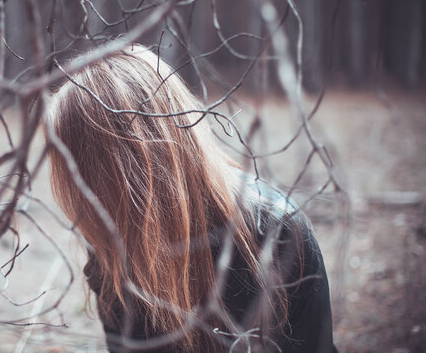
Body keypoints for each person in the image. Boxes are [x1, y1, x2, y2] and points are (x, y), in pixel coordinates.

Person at [46, 44, 337, 352]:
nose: (81, 191)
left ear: (129, 169)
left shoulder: (277, 232)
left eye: (83, 167)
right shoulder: (110, 240)